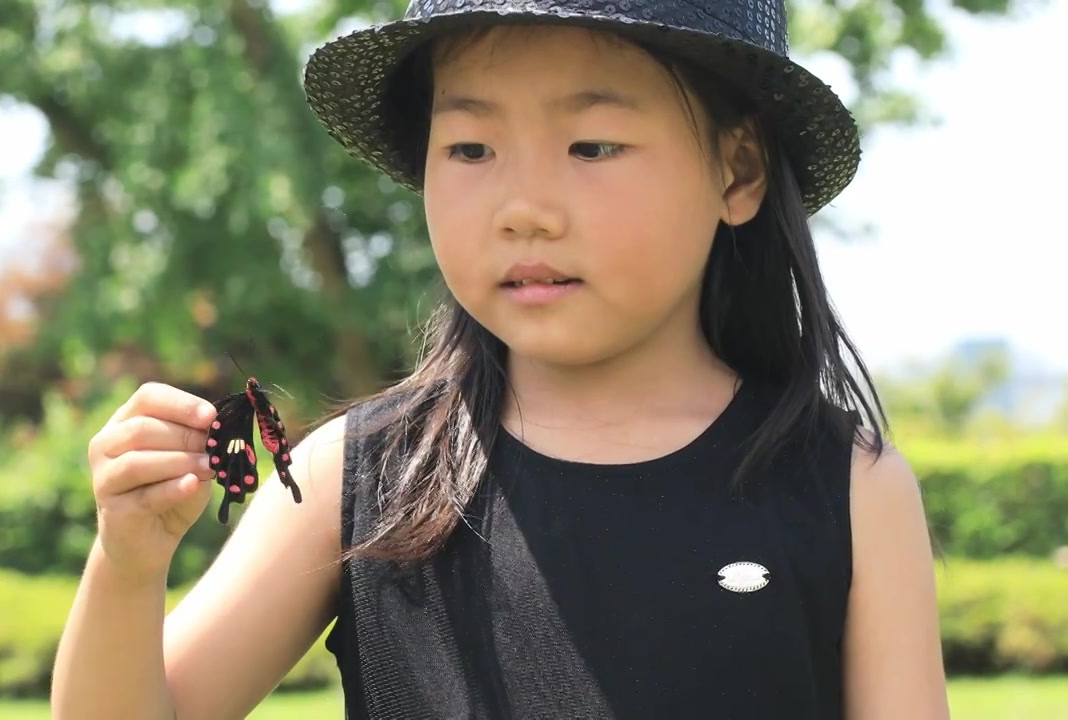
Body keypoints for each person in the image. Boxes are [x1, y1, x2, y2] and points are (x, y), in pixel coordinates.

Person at [50, 1, 951, 718]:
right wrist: (128, 566)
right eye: (471, 147)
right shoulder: (356, 480)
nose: (523, 207)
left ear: (739, 171)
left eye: (591, 145)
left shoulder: (845, 488)